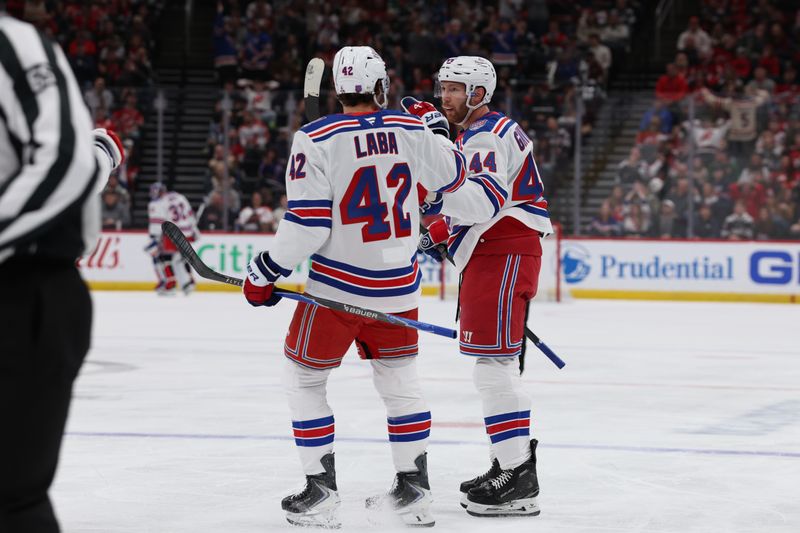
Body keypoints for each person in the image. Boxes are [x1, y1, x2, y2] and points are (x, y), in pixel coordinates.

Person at [241, 46, 486, 528]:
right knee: (401, 386)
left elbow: (308, 226)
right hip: (398, 288)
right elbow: (455, 176)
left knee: (305, 379)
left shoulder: (315, 137)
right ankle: (414, 491)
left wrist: (263, 272)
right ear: (381, 87)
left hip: (336, 290)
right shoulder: (410, 128)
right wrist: (436, 130)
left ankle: (320, 491)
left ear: (338, 89)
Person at [0, 8, 124, 532]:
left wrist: (97, 155)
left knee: (9, 497)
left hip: (20, 295)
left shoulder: (13, 44)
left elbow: (63, 163)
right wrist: (102, 155)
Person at [411, 55, 552, 518]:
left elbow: (484, 200)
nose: (444, 95)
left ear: (478, 93)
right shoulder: (478, 133)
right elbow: (478, 202)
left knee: (493, 368)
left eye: (454, 89)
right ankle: (508, 464)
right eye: (443, 87)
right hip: (498, 251)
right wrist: (434, 232)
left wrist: (434, 181)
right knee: (494, 365)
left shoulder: (484, 135)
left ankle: (517, 474)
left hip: (503, 251)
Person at [146, 182, 199, 295]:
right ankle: (188, 282)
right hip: (187, 231)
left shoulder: (157, 203)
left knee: (162, 256)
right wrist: (194, 229)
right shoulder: (179, 196)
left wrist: (154, 239)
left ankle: (170, 285)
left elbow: (157, 224)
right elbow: (190, 214)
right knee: (181, 258)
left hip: (173, 233)